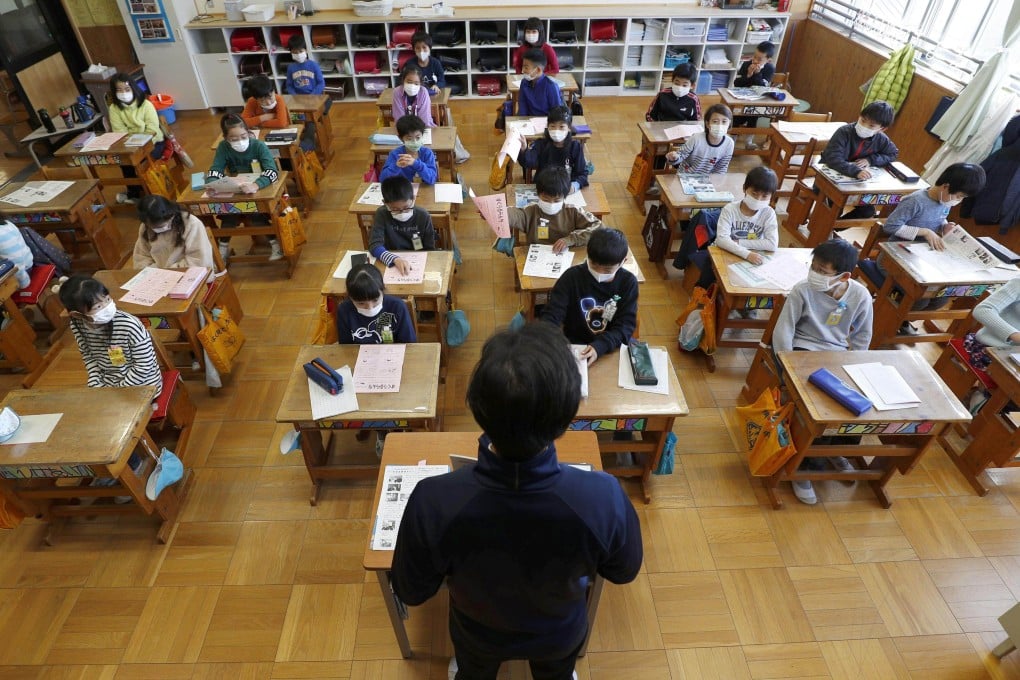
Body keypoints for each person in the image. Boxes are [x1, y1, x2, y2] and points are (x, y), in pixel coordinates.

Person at [391, 321, 642, 680]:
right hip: (558, 632)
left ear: (478, 409)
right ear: (566, 417)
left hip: (477, 633)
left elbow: (412, 591)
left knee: (473, 671)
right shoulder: (603, 496)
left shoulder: (434, 500)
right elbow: (623, 570)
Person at [771, 239, 874, 505]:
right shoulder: (802, 290)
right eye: (813, 267)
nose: (814, 274)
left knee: (856, 403)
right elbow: (783, 331)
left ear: (845, 276)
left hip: (836, 355)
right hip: (800, 350)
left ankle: (836, 450)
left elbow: (863, 336)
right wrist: (788, 366)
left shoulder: (860, 295)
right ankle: (803, 467)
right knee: (812, 407)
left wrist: (854, 369)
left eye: (822, 271)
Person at [880, 162, 987, 335]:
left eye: (962, 198)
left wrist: (945, 226)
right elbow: (890, 226)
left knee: (940, 297)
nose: (958, 201)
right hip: (892, 258)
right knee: (920, 298)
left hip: (921, 257)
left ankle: (901, 318)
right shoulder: (915, 200)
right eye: (958, 196)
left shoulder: (944, 201)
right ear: (946, 187)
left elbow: (937, 219)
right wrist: (925, 232)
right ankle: (888, 318)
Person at [542, 228, 638, 366]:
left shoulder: (628, 283)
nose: (599, 273)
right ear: (588, 254)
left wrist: (600, 346)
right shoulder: (571, 277)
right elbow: (552, 314)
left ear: (623, 261)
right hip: (576, 345)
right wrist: (549, 338)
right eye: (593, 265)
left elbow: (625, 326)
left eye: (607, 270)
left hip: (611, 346)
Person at [59, 275, 162, 398]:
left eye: (107, 299)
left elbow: (144, 365)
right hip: (110, 383)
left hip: (143, 384)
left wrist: (121, 389)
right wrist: (94, 381)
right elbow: (88, 355)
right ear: (77, 315)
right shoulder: (77, 326)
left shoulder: (129, 325)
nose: (107, 307)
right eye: (97, 307)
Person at [207, 113, 282, 262]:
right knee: (229, 213)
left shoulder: (258, 146)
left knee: (255, 213)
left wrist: (256, 185)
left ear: (248, 132)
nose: (240, 141)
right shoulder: (223, 148)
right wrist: (212, 183)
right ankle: (223, 249)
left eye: (243, 136)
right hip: (237, 190)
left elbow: (272, 171)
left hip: (260, 189)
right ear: (226, 138)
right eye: (234, 139)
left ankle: (276, 245)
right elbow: (216, 169)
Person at [693, 166, 778, 290]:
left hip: (750, 254)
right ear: (744, 188)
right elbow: (722, 240)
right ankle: (701, 296)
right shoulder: (730, 209)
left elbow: (772, 244)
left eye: (764, 196)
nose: (758, 199)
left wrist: (739, 242)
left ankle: (743, 307)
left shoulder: (768, 213)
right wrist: (747, 253)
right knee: (710, 271)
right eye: (754, 194)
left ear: (771, 196)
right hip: (723, 251)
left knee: (755, 282)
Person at [819, 100, 899, 219]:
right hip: (828, 180)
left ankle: (833, 228)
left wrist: (871, 160)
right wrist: (856, 171)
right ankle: (824, 228)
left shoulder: (881, 139)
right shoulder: (844, 132)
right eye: (862, 120)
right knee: (835, 205)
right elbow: (833, 158)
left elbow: (893, 153)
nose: (864, 126)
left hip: (857, 187)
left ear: (882, 129)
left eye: (871, 126)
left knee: (867, 212)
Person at [401, 31, 470, 163]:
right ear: (413, 49)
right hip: (415, 102)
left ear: (429, 48)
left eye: (424, 48)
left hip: (434, 100)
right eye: (417, 48)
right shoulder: (409, 64)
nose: (421, 51)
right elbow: (403, 83)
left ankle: (451, 149)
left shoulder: (435, 63)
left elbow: (443, 81)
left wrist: (438, 85)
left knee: (446, 116)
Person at [507, 167, 602, 252]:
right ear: (538, 195)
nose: (551, 204)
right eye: (546, 200)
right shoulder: (530, 211)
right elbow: (512, 215)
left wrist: (571, 239)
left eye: (556, 200)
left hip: (565, 256)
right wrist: (501, 213)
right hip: (537, 257)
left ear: (565, 197)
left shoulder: (573, 210)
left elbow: (599, 227)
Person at [108, 72, 164, 204]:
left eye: (127, 89)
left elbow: (152, 129)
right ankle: (134, 193)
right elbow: (119, 132)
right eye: (119, 90)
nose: (124, 93)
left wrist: (139, 143)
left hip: (153, 142)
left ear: (133, 88)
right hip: (129, 145)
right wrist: (131, 143)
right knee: (125, 163)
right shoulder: (114, 108)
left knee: (142, 161)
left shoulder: (146, 105)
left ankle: (150, 192)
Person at [369, 176, 437, 276]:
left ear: (413, 199)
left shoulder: (423, 216)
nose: (402, 212)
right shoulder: (382, 214)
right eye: (395, 209)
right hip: (391, 259)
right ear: (385, 203)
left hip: (417, 260)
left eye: (406, 207)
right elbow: (375, 245)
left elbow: (429, 249)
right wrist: (395, 259)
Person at [335, 263, 416, 345]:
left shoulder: (397, 307)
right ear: (350, 297)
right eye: (361, 303)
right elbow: (346, 346)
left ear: (383, 288)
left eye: (375, 300)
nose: (370, 308)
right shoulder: (344, 310)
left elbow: (408, 344)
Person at [132, 195, 214, 271]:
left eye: (160, 226)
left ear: (171, 215)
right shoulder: (145, 228)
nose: (157, 230)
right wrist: (153, 272)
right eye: (153, 227)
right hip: (160, 275)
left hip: (187, 273)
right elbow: (141, 257)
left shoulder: (191, 224)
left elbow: (199, 260)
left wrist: (169, 271)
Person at [518, 106, 587, 193]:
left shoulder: (574, 147)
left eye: (561, 127)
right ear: (547, 127)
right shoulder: (541, 144)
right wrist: (524, 150)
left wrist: (574, 186)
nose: (556, 130)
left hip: (565, 189)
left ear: (569, 128)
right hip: (543, 188)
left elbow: (582, 174)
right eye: (552, 126)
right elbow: (528, 163)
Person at [665, 103, 734, 174]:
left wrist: (716, 183)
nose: (720, 125)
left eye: (724, 122)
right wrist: (674, 157)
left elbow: (721, 168)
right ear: (707, 124)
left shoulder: (729, 143)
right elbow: (681, 155)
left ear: (729, 124)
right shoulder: (696, 139)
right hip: (686, 177)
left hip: (708, 180)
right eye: (715, 121)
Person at [380, 115, 438, 185]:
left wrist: (416, 164)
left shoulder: (427, 153)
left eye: (418, 137)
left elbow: (432, 179)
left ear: (422, 135)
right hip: (402, 191)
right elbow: (382, 180)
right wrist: (396, 166)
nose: (415, 142)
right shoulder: (395, 154)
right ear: (401, 138)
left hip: (423, 191)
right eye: (409, 139)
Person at [732, 41, 776, 131]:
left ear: (768, 60)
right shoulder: (746, 64)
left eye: (760, 59)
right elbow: (736, 83)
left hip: (758, 99)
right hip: (742, 97)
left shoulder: (769, 68)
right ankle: (734, 136)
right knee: (737, 116)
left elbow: (763, 86)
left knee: (753, 115)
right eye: (754, 56)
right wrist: (748, 75)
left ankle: (749, 140)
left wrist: (757, 74)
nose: (755, 60)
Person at [517, 48, 562, 117]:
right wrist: (523, 122)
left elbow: (556, 113)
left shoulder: (551, 86)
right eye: (523, 67)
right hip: (529, 121)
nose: (523, 71)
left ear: (538, 70)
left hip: (546, 122)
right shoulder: (524, 82)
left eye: (526, 68)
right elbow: (523, 106)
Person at [0, 220, 33, 288]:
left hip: (21, 273)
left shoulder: (2, 235)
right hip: (22, 266)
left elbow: (17, 262)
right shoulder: (6, 223)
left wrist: (23, 283)